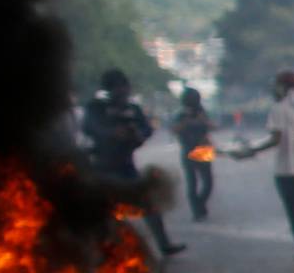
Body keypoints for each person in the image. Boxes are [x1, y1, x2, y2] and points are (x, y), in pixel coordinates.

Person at [81, 70, 184, 257]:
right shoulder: (96, 107)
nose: (124, 91)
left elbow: (146, 130)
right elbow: (89, 127)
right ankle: (101, 250)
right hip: (101, 166)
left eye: (125, 87)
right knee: (103, 211)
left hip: (125, 165)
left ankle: (164, 244)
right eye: (119, 87)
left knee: (148, 204)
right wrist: (111, 132)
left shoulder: (132, 109)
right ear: (110, 89)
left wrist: (137, 135)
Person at [236, 70, 294, 265]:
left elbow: (276, 138)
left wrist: (251, 149)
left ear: (283, 87)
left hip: (288, 170)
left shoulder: (279, 108)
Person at [173, 88, 217, 222]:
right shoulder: (180, 114)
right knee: (192, 182)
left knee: (208, 182)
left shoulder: (201, 112)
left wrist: (203, 121)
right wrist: (186, 121)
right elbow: (175, 129)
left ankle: (200, 203)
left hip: (202, 148)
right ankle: (197, 211)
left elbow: (213, 126)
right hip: (188, 148)